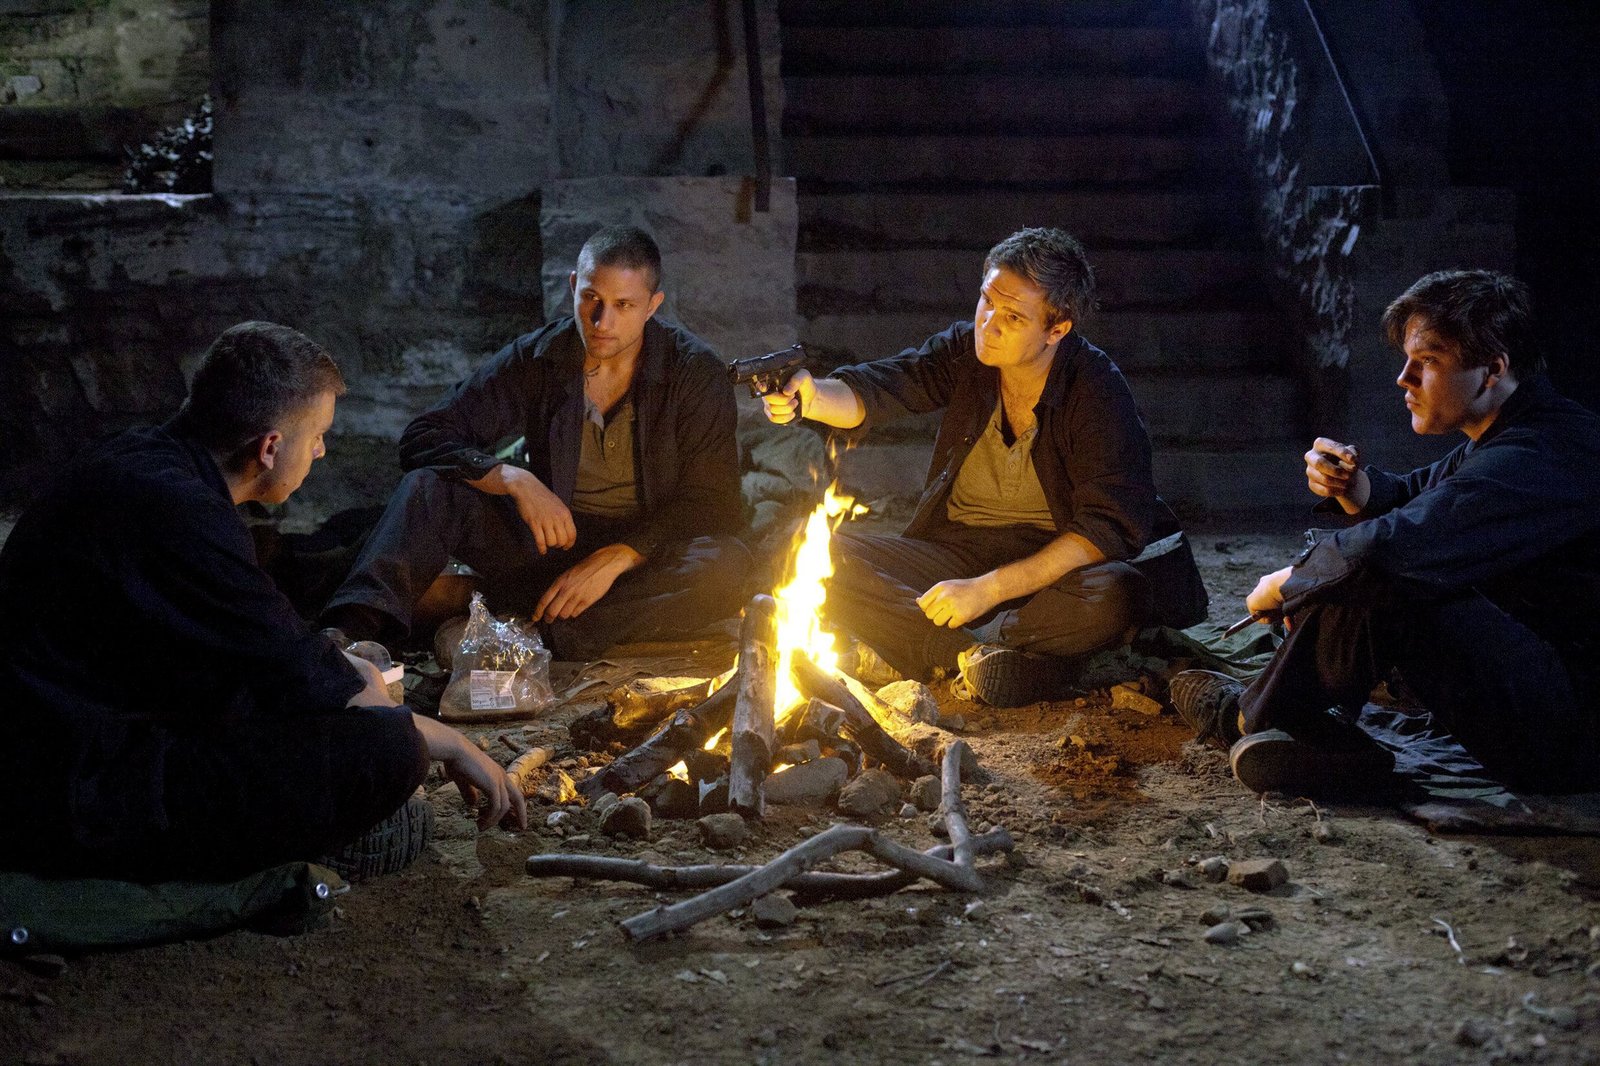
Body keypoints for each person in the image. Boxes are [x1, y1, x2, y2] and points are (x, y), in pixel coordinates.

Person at [0, 321, 526, 883]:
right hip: (73, 784)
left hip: (79, 732)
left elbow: (262, 645)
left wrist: (347, 676)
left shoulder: (139, 461)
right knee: (391, 750)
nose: (321, 450)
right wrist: (449, 742)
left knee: (350, 697)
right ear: (270, 447)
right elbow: (296, 673)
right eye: (317, 435)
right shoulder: (185, 515)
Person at [1172, 270, 1600, 796]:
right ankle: (1307, 730)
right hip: (1551, 695)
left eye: (1428, 361)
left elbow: (1394, 546)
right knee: (1362, 560)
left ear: (1492, 370)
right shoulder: (1514, 431)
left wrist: (1290, 582)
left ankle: (1251, 717)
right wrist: (1353, 485)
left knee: (1381, 572)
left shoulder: (1543, 451)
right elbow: (1418, 496)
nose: (1404, 378)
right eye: (1407, 359)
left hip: (1573, 734)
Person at [762, 227, 1205, 707]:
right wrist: (811, 397)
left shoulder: (1096, 390)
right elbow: (885, 387)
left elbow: (1105, 529)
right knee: (800, 550)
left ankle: (967, 645)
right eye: (986, 301)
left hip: (1053, 573)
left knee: (1115, 595)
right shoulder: (967, 353)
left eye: (1013, 317)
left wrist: (986, 591)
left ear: (1057, 329)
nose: (989, 323)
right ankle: (974, 655)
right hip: (958, 551)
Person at [321, 226, 749, 659]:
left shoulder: (693, 373)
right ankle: (347, 636)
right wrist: (511, 478)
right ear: (573, 286)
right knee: (428, 487)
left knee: (728, 566)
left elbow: (712, 503)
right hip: (548, 546)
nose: (602, 322)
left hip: (641, 562)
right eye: (591, 298)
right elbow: (424, 436)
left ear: (652, 306)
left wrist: (622, 555)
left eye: (624, 305)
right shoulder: (539, 357)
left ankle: (531, 635)